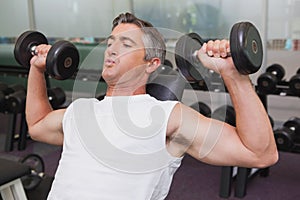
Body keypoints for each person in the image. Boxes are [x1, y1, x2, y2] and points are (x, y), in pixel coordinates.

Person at [26, 12, 278, 199]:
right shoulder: (80, 110)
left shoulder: (166, 118)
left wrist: (234, 74)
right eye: (110, 42)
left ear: (152, 63)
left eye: (125, 44)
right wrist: (37, 68)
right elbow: (37, 125)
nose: (111, 50)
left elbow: (259, 153)